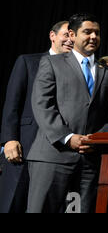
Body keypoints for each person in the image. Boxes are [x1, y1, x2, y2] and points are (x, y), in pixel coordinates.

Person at [26, 13, 108, 213]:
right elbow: (42, 104)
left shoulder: (107, 73)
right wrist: (67, 137)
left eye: (97, 33)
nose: (93, 37)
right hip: (52, 156)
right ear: (72, 35)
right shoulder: (52, 63)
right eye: (87, 32)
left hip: (89, 161)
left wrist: (97, 139)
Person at [0, 21, 72, 213]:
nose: (69, 40)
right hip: (24, 146)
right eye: (65, 34)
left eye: (73, 36)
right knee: (12, 202)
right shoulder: (27, 61)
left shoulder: (78, 70)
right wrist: (9, 139)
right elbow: (12, 104)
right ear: (52, 36)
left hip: (57, 152)